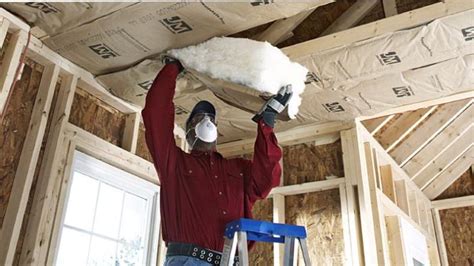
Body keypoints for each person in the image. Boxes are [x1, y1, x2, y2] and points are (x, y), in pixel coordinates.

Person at [142, 57, 293, 265]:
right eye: (198, 119)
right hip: (189, 260)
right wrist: (173, 67)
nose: (206, 122)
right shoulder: (174, 163)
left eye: (211, 119)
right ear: (189, 132)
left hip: (231, 260)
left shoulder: (238, 169)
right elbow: (155, 115)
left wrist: (267, 123)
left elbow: (268, 179)